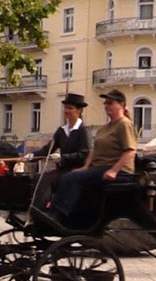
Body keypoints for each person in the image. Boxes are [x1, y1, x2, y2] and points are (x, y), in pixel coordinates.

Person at [32, 89, 137, 229]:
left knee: (70, 179)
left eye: (110, 103)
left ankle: (58, 215)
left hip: (118, 170)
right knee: (70, 176)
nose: (106, 106)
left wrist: (114, 170)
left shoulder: (124, 124)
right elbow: (93, 151)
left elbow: (130, 151)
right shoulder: (104, 128)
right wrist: (85, 167)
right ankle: (52, 214)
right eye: (105, 103)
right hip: (99, 168)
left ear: (122, 105)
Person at [25, 93, 92, 209]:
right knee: (38, 178)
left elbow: (84, 154)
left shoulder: (83, 131)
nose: (66, 111)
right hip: (63, 170)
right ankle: (38, 210)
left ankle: (47, 210)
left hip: (77, 170)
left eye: (70, 108)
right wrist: (32, 156)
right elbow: (48, 148)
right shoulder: (61, 131)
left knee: (49, 180)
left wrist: (62, 157)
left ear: (79, 110)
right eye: (65, 108)